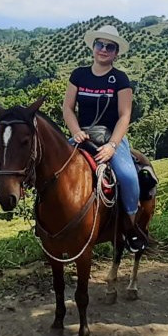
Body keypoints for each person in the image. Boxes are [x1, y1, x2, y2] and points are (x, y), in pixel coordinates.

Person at [62, 24, 145, 252]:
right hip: (82, 135)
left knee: (128, 177)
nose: (104, 49)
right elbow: (68, 108)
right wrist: (75, 131)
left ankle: (130, 228)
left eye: (110, 47)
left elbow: (124, 115)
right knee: (53, 169)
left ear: (116, 53)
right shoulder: (79, 75)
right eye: (100, 44)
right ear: (93, 47)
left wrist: (112, 145)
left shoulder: (120, 79)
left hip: (111, 137)